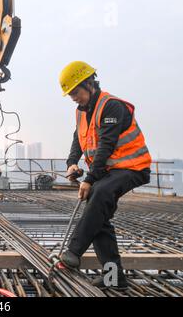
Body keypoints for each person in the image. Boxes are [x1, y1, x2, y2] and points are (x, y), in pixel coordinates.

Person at [58, 61, 152, 290]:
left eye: (76, 92)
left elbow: (106, 146)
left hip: (132, 167)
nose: (73, 98)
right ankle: (114, 278)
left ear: (89, 84)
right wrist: (72, 163)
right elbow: (77, 140)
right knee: (99, 220)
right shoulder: (81, 112)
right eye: (70, 95)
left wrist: (90, 179)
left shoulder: (111, 106)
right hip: (109, 172)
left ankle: (73, 252)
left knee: (99, 193)